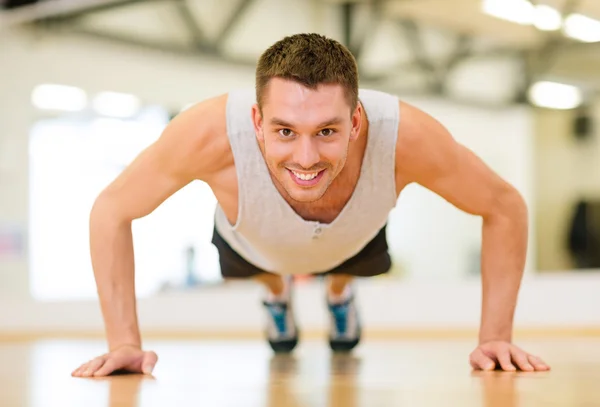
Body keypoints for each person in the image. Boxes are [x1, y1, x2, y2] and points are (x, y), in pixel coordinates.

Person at [71, 33, 550, 378]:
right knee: (268, 270)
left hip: (353, 238)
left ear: (357, 120)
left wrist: (495, 336)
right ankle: (277, 297)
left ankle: (338, 294)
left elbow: (505, 206)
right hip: (253, 243)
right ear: (256, 121)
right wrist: (125, 343)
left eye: (326, 131)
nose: (305, 158)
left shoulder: (407, 137)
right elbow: (111, 210)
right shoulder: (206, 134)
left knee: (344, 259)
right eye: (285, 131)